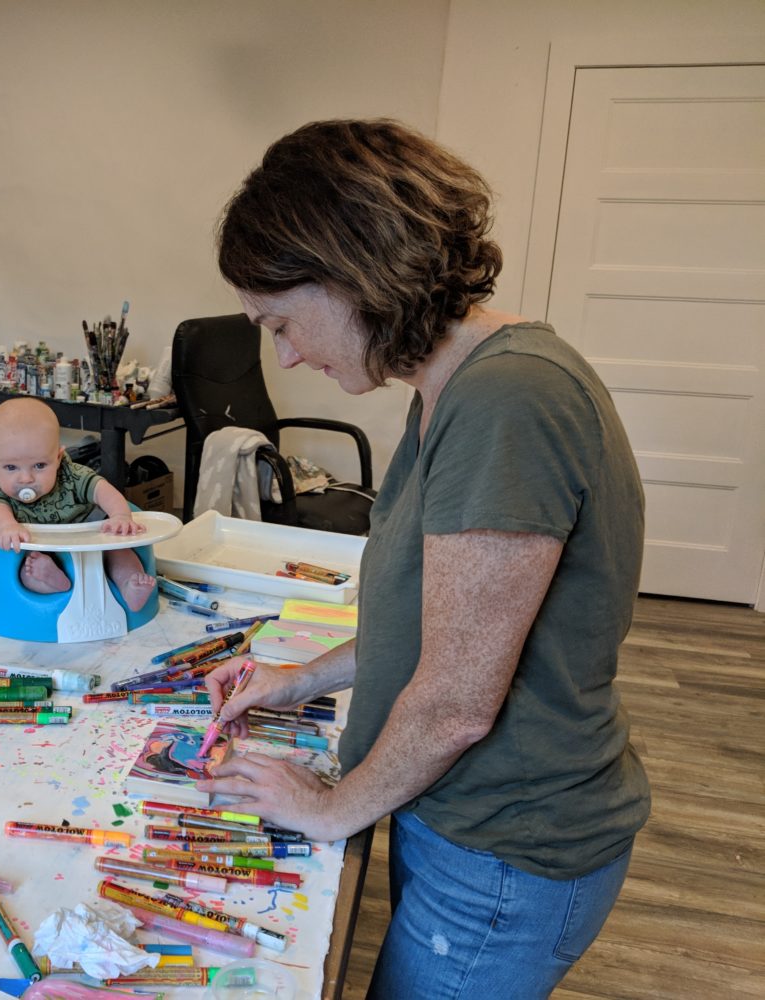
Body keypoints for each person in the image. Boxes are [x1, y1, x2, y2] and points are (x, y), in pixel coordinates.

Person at [194, 119, 650, 997]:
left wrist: (326, 808)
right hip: (462, 822)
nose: (284, 354)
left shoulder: (506, 399)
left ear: (354, 270)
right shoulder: (451, 385)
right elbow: (431, 626)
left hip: (509, 846)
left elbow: (451, 706)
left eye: (282, 322)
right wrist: (292, 681)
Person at [0, 396, 156, 612]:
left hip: (90, 543)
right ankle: (53, 582)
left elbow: (103, 490)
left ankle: (129, 584)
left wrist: (120, 516)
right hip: (39, 549)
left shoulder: (72, 475)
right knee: (26, 572)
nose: (25, 478)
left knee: (119, 550)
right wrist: (7, 526)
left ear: (58, 457)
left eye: (39, 465)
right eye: (10, 467)